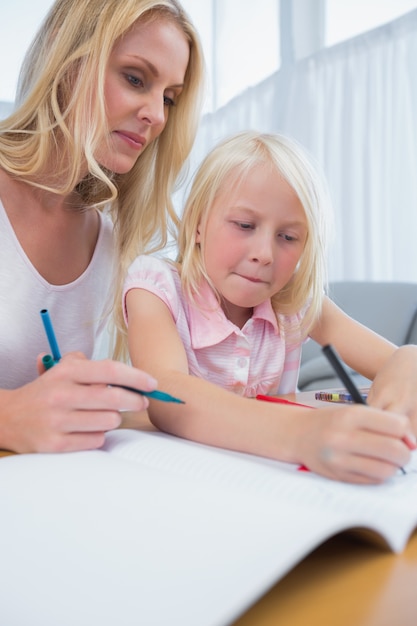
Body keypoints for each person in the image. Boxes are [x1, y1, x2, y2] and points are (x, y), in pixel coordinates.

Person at [122, 130, 417, 485]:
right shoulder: (156, 286)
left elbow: (394, 362)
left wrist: (408, 361)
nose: (265, 253)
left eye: (288, 237)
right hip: (176, 481)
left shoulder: (293, 300)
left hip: (272, 485)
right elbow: (166, 393)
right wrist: (303, 431)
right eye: (245, 225)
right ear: (198, 223)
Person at [0, 0, 205, 453]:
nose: (158, 115)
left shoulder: (108, 242)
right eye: (135, 79)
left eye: (169, 98)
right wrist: (10, 416)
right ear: (66, 57)